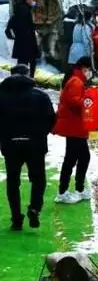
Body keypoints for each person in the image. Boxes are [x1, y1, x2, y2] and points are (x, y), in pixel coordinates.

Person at [0, 64, 55, 230]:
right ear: (28, 75)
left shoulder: (2, 96)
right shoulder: (41, 96)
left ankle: (16, 218)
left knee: (13, 182)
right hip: (35, 144)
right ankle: (34, 208)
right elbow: (51, 119)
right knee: (38, 179)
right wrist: (40, 134)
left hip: (11, 144)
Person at [53, 57, 95, 204]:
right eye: (89, 69)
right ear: (84, 68)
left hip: (76, 126)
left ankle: (79, 189)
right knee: (71, 159)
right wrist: (90, 101)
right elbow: (74, 102)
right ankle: (63, 192)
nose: (90, 72)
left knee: (83, 157)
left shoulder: (76, 80)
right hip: (74, 126)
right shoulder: (76, 82)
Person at [5, 0, 41, 77]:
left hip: (21, 42)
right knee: (31, 63)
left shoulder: (18, 11)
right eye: (33, 0)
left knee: (22, 63)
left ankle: (19, 80)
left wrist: (15, 37)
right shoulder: (27, 12)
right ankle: (29, 80)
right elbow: (30, 27)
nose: (34, 2)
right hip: (29, 42)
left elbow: (9, 29)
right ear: (27, 0)